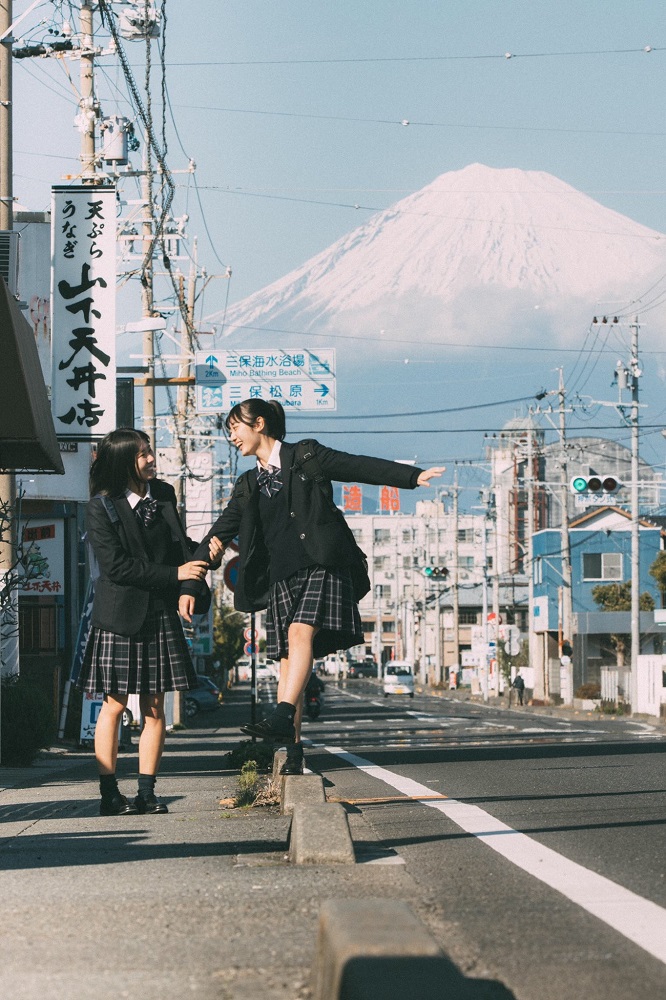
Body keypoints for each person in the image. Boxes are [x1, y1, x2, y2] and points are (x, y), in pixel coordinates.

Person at [180, 398, 444, 776]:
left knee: (300, 632)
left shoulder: (306, 456)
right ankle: (293, 753)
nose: (232, 436)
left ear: (258, 424)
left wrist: (411, 477)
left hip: (323, 562)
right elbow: (217, 533)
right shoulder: (248, 484)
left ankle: (283, 714)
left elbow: (357, 466)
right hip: (281, 579)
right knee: (290, 666)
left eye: (235, 427)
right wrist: (191, 582)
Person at [78, 429, 220, 816]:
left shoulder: (164, 496)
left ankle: (147, 793)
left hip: (159, 612)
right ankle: (109, 794)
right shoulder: (100, 507)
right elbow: (116, 567)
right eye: (143, 454)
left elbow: (180, 547)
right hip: (119, 617)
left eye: (150, 451)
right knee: (113, 706)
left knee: (155, 708)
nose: (151, 459)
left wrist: (208, 554)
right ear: (124, 460)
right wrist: (175, 575)